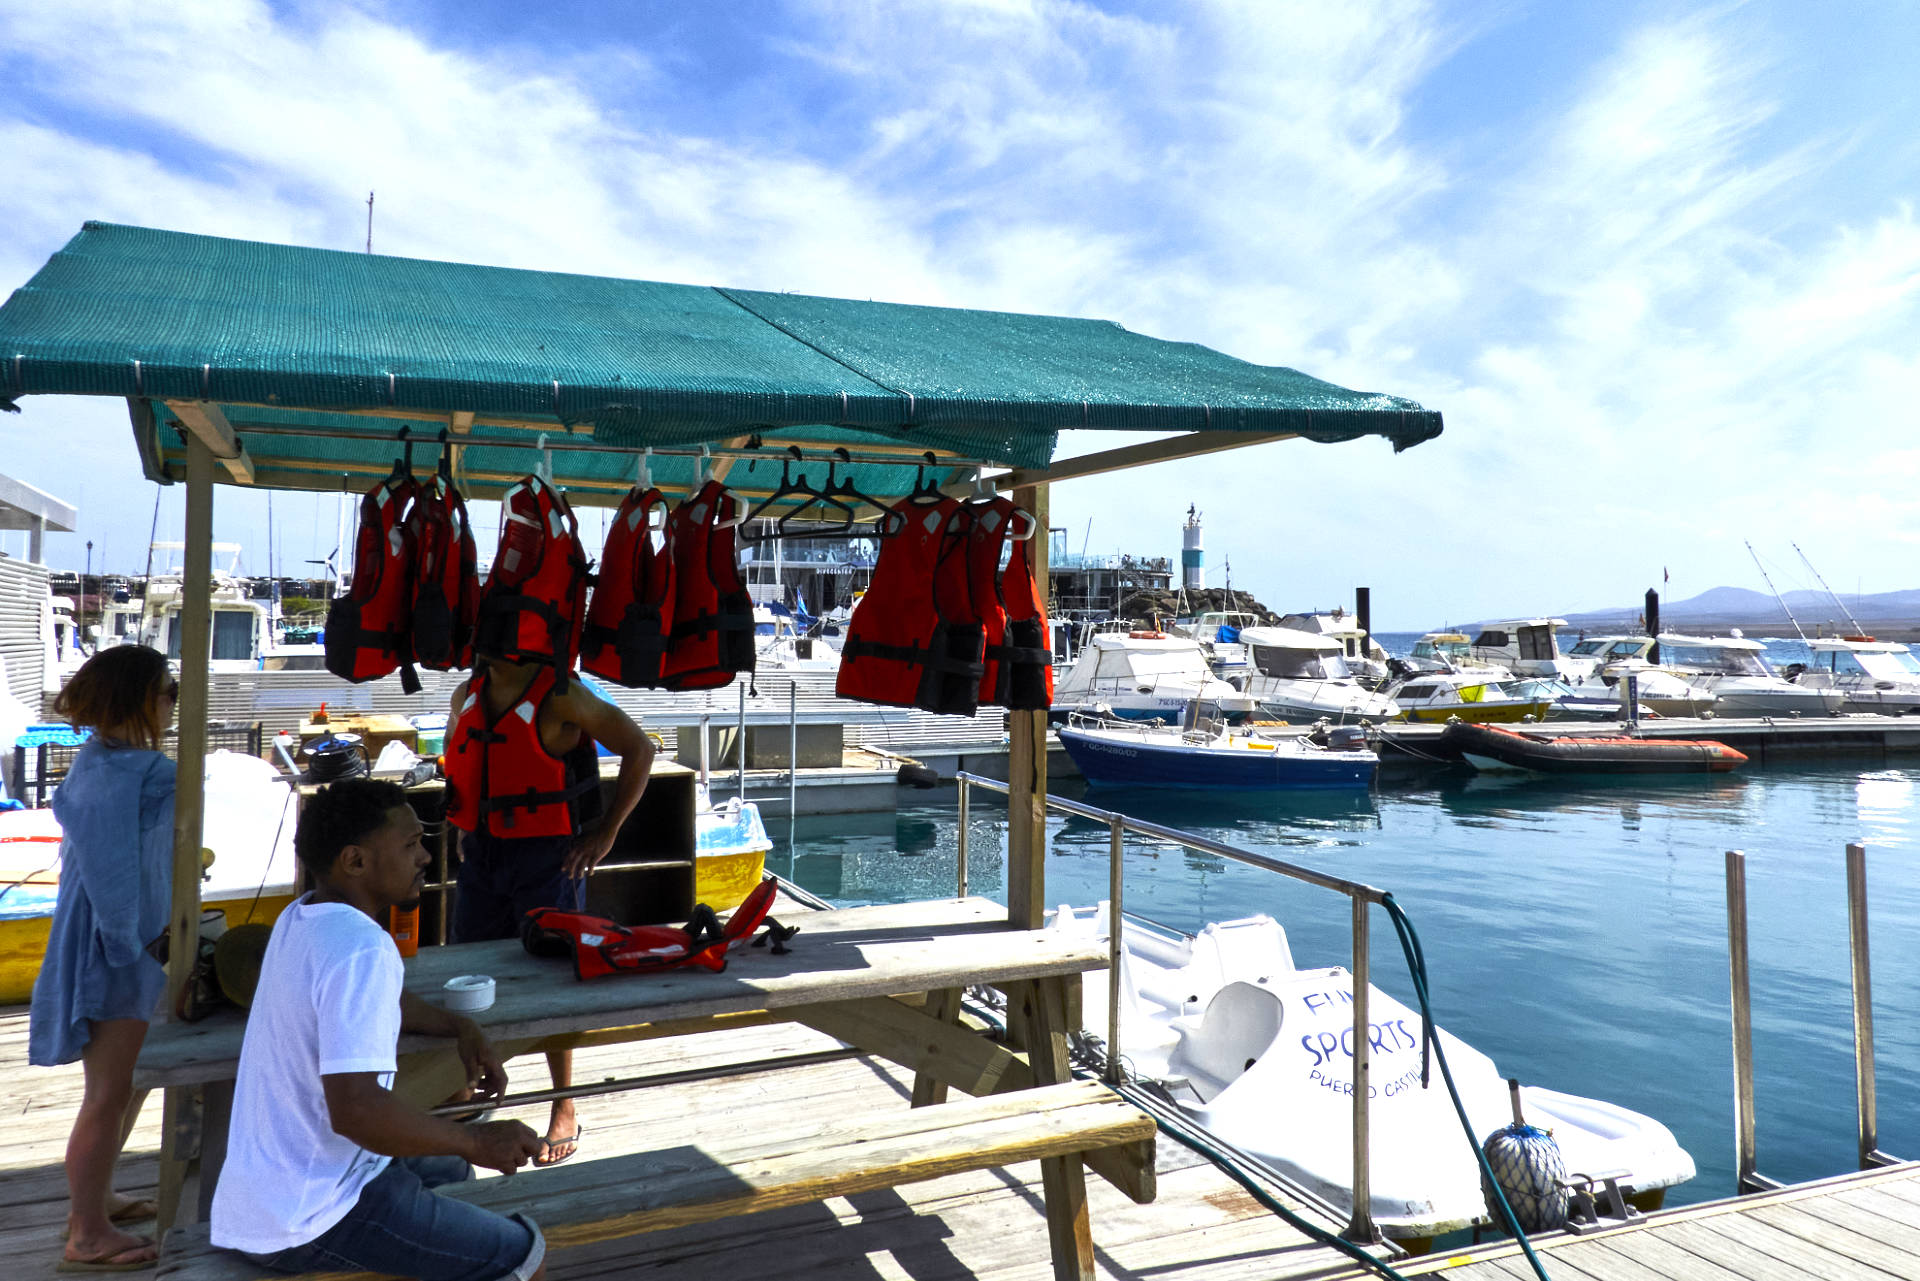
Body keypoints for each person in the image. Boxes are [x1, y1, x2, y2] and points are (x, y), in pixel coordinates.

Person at [210, 777, 549, 1281]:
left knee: (451, 1172)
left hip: (265, 1196)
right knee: (524, 1255)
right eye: (411, 844)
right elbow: (358, 1112)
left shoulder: (301, 918)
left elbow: (384, 1002)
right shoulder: (363, 948)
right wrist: (478, 1142)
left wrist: (458, 1025)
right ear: (356, 861)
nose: (426, 858)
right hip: (314, 1218)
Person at [444, 653, 653, 1165]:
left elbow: (641, 749)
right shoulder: (466, 693)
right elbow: (463, 766)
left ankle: (564, 1103)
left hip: (548, 857)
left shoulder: (561, 694)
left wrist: (606, 834)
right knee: (465, 977)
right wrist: (459, 826)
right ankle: (467, 1081)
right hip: (483, 854)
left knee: (555, 981)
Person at [29, 646, 177, 1273]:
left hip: (104, 940)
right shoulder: (135, 773)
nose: (173, 701)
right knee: (108, 1092)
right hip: (116, 948)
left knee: (116, 1089)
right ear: (139, 697)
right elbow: (115, 873)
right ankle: (86, 1233)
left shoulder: (99, 763)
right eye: (168, 690)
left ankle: (96, 1197)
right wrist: (133, 951)